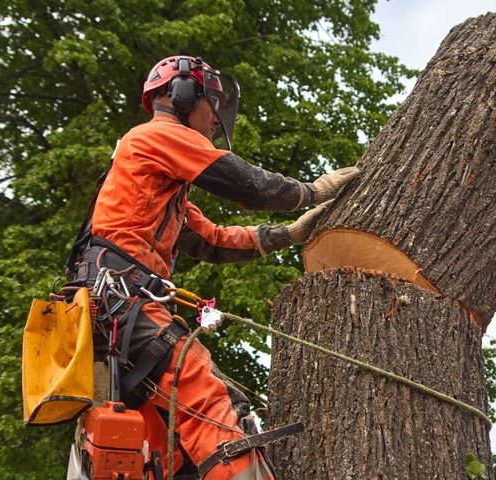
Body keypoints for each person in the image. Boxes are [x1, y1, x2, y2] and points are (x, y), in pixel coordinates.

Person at [66, 55, 358, 479]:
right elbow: (243, 180)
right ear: (182, 94)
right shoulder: (157, 136)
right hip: (123, 298)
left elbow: (212, 240)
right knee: (210, 401)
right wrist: (310, 192)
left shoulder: (157, 181)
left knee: (163, 444)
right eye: (212, 105)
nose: (215, 121)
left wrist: (287, 235)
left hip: (114, 306)